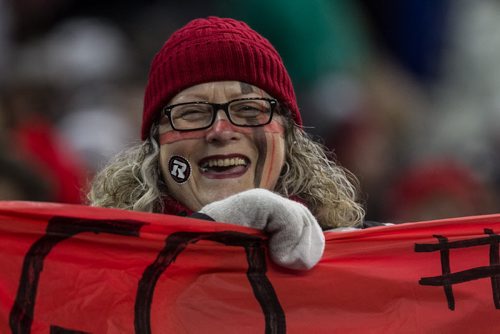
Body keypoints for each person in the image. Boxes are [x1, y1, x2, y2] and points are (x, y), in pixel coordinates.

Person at [88, 16, 365, 270]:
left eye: (248, 110)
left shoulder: (356, 268)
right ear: (155, 145)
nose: (221, 130)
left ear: (288, 135)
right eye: (193, 113)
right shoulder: (99, 265)